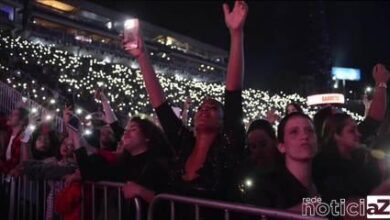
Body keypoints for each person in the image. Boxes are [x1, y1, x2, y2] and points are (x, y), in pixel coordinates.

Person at [122, 0, 247, 200]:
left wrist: (236, 33)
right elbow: (160, 106)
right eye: (201, 107)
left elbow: (233, 93)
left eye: (213, 108)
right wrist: (142, 55)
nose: (204, 110)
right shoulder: (183, 146)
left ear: (224, 121)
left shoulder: (228, 147)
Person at [244, 113, 318, 211]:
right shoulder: (264, 188)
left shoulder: (328, 179)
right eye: (294, 132)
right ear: (281, 146)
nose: (305, 136)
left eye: (309, 130)